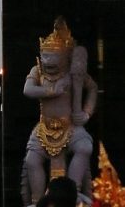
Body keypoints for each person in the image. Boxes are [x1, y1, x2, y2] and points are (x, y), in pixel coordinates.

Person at [21, 18, 96, 206]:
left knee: (85, 147)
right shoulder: (37, 71)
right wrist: (52, 91)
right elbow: (27, 90)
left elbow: (93, 88)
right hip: (44, 127)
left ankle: (74, 191)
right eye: (45, 56)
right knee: (32, 160)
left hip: (69, 125)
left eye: (53, 57)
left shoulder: (73, 73)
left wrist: (86, 113)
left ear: (65, 57)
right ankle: (37, 200)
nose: (48, 61)